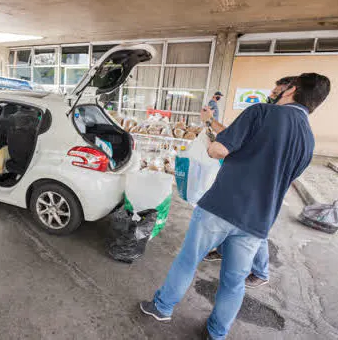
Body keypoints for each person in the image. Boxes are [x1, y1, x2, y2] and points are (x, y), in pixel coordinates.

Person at [139, 73, 330, 340]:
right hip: (258, 221)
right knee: (234, 281)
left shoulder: (262, 112)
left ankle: (162, 307)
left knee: (188, 260)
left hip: (221, 206)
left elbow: (218, 150)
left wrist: (211, 144)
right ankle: (216, 332)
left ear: (291, 90)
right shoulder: (308, 141)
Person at [203, 76, 298, 289]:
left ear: (290, 93)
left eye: (276, 94)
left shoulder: (275, 120)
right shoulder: (266, 116)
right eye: (271, 93)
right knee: (238, 222)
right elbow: (234, 135)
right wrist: (210, 121)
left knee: (255, 229)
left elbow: (226, 143)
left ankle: (261, 272)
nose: (271, 97)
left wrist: (211, 126)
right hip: (248, 182)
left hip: (261, 187)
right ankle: (223, 250)